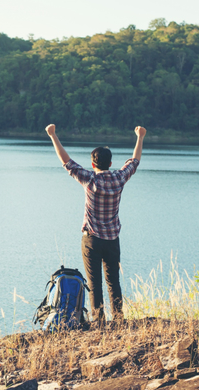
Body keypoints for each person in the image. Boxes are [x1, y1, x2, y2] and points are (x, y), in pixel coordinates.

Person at [45, 124, 146, 327]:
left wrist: (53, 135)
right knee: (113, 282)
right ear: (110, 163)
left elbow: (67, 162)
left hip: (91, 239)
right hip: (112, 240)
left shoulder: (90, 179)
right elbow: (134, 162)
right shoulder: (118, 178)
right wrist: (140, 137)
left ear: (93, 164)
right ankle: (118, 319)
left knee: (94, 283)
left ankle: (98, 322)